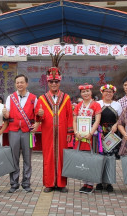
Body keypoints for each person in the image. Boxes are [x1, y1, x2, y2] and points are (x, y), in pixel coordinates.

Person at [35, 55, 73, 193]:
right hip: (48, 133)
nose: (54, 84)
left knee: (62, 157)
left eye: (56, 82)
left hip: (62, 134)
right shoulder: (42, 98)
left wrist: (70, 132)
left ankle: (61, 184)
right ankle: (49, 183)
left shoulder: (66, 98)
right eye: (51, 82)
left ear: (60, 82)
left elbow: (70, 116)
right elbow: (39, 118)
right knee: (49, 157)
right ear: (48, 83)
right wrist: (38, 115)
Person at [3, 74, 38, 193]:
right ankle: (14, 183)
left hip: (27, 131)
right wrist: (5, 114)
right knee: (14, 158)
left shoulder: (33, 98)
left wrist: (37, 123)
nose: (19, 84)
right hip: (13, 131)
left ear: (26, 84)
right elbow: (7, 114)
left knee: (27, 158)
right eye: (17, 82)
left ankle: (26, 183)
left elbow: (38, 115)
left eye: (21, 82)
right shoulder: (10, 98)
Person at [73, 84, 101, 194]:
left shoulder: (96, 105)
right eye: (83, 92)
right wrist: (75, 132)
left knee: (90, 158)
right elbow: (74, 120)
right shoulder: (78, 105)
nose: (86, 93)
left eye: (87, 91)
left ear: (91, 92)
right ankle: (85, 182)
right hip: (80, 136)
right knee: (82, 159)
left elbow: (98, 120)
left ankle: (90, 184)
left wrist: (91, 132)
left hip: (91, 136)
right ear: (80, 94)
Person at [96, 84, 122, 192]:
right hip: (100, 135)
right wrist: (99, 130)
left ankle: (109, 182)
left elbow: (121, 119)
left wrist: (116, 125)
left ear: (113, 94)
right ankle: (99, 182)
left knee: (110, 159)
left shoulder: (117, 105)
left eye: (110, 92)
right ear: (102, 93)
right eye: (106, 91)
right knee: (99, 159)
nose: (108, 93)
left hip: (112, 135)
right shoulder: (98, 104)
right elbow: (94, 119)